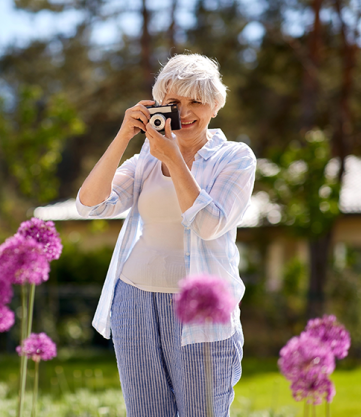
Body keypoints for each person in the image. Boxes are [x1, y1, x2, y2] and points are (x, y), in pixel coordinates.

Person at [76, 53, 257, 416]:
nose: (185, 112)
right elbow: (90, 205)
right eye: (175, 103)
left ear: (215, 106)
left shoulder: (235, 158)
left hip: (202, 312)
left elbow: (208, 224)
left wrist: (174, 158)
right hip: (134, 303)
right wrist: (124, 135)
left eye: (197, 101)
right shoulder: (145, 157)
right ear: (160, 106)